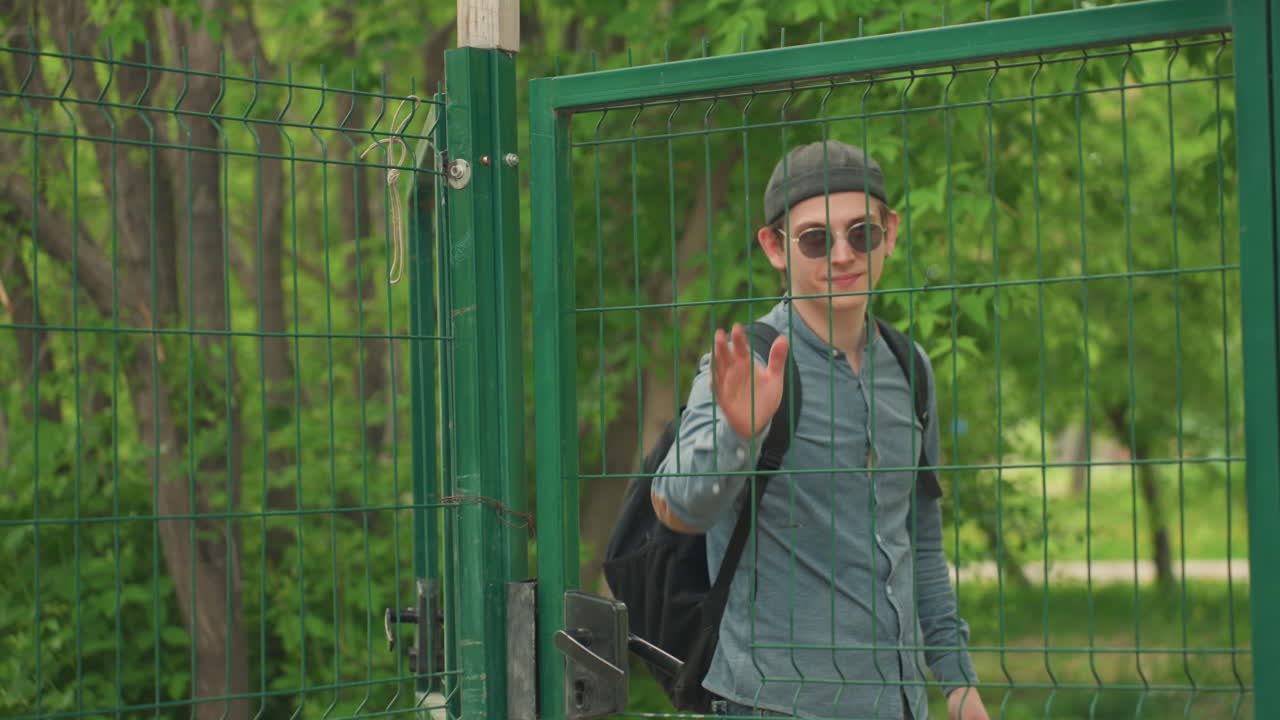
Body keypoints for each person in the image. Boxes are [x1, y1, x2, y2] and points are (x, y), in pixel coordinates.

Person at [649, 140, 990, 720]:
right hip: (776, 706)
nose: (842, 255)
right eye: (814, 239)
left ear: (891, 233)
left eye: (862, 233)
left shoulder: (911, 368)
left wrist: (958, 685)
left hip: (899, 706)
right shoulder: (748, 365)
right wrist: (739, 433)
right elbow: (676, 509)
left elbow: (921, 544)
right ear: (775, 248)